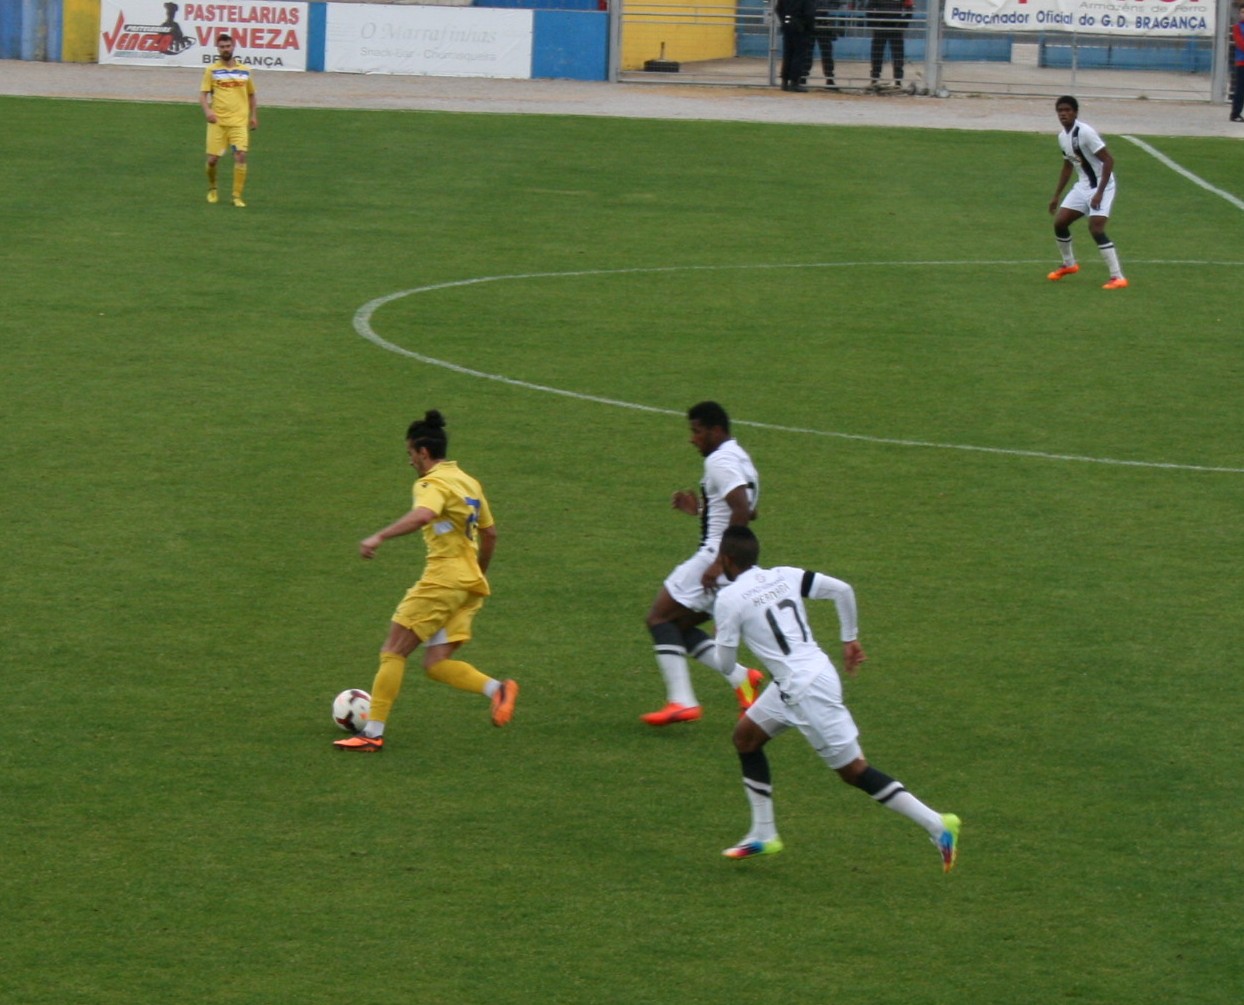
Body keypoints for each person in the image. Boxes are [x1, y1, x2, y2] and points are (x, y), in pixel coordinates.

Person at [713, 526, 961, 871]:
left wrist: (725, 638)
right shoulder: (783, 575)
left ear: (726, 559)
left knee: (854, 771)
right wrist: (850, 639)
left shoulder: (729, 599)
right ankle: (763, 833)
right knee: (746, 738)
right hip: (810, 675)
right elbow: (842, 590)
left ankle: (937, 823)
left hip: (804, 692)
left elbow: (725, 663)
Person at [334, 410, 518, 752]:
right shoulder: (468, 481)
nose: (410, 463)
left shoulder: (431, 483)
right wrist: (475, 575)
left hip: (443, 580)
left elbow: (423, 515)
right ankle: (498, 690)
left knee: (393, 650)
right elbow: (490, 534)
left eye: (410, 455)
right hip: (469, 583)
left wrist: (379, 537)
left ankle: (371, 734)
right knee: (434, 664)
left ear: (423, 452)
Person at [641, 402, 764, 726]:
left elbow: (739, 508)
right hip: (727, 557)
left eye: (697, 431)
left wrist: (722, 561)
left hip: (716, 556)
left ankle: (681, 701)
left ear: (716, 430)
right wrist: (702, 510)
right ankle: (742, 679)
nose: (693, 439)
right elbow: (748, 510)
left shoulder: (720, 461)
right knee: (679, 626)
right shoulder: (740, 458)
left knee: (658, 619)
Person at [1047, 95, 1128, 290]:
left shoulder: (1086, 133)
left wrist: (1099, 192)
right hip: (1083, 186)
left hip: (1103, 185)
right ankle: (1069, 264)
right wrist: (1056, 195)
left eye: (1067, 110)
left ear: (1075, 112)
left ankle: (1118, 277)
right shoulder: (1062, 137)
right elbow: (1068, 165)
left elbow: (1108, 160)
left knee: (1096, 228)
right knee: (1060, 223)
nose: (1063, 114)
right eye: (1060, 111)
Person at [200, 33, 258, 208]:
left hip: (239, 122)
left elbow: (252, 95)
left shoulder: (245, 71)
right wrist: (208, 111)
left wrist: (254, 116)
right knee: (212, 160)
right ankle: (212, 188)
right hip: (218, 122)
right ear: (218, 49)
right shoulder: (212, 71)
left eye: (228, 46)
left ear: (233, 47)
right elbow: (203, 95)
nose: (225, 50)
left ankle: (237, 196)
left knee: (241, 156)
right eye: (222, 47)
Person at [867, 0, 913, 90]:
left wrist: (904, 23)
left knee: (897, 54)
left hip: (896, 25)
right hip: (880, 25)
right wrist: (873, 22)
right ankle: (874, 80)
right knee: (877, 53)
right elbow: (869, 7)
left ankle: (898, 81)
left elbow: (909, 7)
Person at [776, 0, 816, 92]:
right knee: (799, 55)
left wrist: (784, 20)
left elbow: (778, 9)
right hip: (800, 28)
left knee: (788, 54)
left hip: (787, 26)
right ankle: (794, 82)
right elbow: (809, 13)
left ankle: (784, 82)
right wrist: (810, 28)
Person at [811, 0, 846, 90]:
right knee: (807, 52)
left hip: (823, 24)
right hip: (810, 23)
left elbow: (836, 4)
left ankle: (829, 78)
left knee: (827, 53)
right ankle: (803, 77)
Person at [1231, 7, 1244, 123]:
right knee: (1240, 89)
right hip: (1242, 62)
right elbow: (1240, 43)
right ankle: (1235, 114)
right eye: (1243, 12)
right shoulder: (1237, 27)